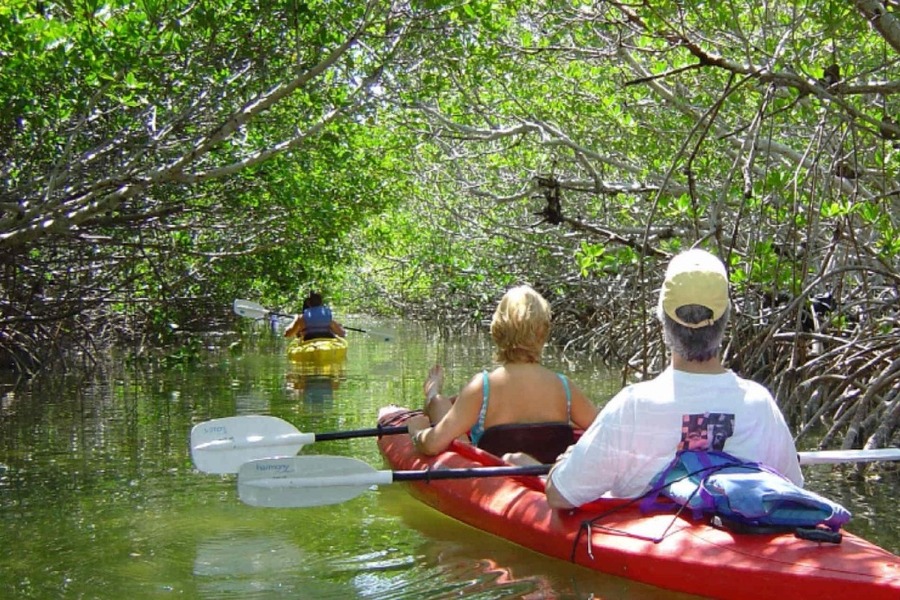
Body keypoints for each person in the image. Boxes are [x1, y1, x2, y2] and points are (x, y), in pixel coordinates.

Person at [544, 248, 804, 509]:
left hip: (649, 544)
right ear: (725, 318)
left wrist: (563, 464)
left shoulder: (633, 406)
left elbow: (560, 496)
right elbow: (793, 489)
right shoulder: (760, 405)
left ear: (662, 317)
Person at [405, 285, 599, 464]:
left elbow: (431, 445)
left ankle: (432, 395)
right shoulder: (564, 387)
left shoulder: (482, 386)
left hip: (496, 481)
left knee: (439, 403)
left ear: (497, 330)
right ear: (544, 333)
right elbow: (608, 431)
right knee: (441, 403)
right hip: (543, 479)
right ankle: (434, 395)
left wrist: (418, 433)